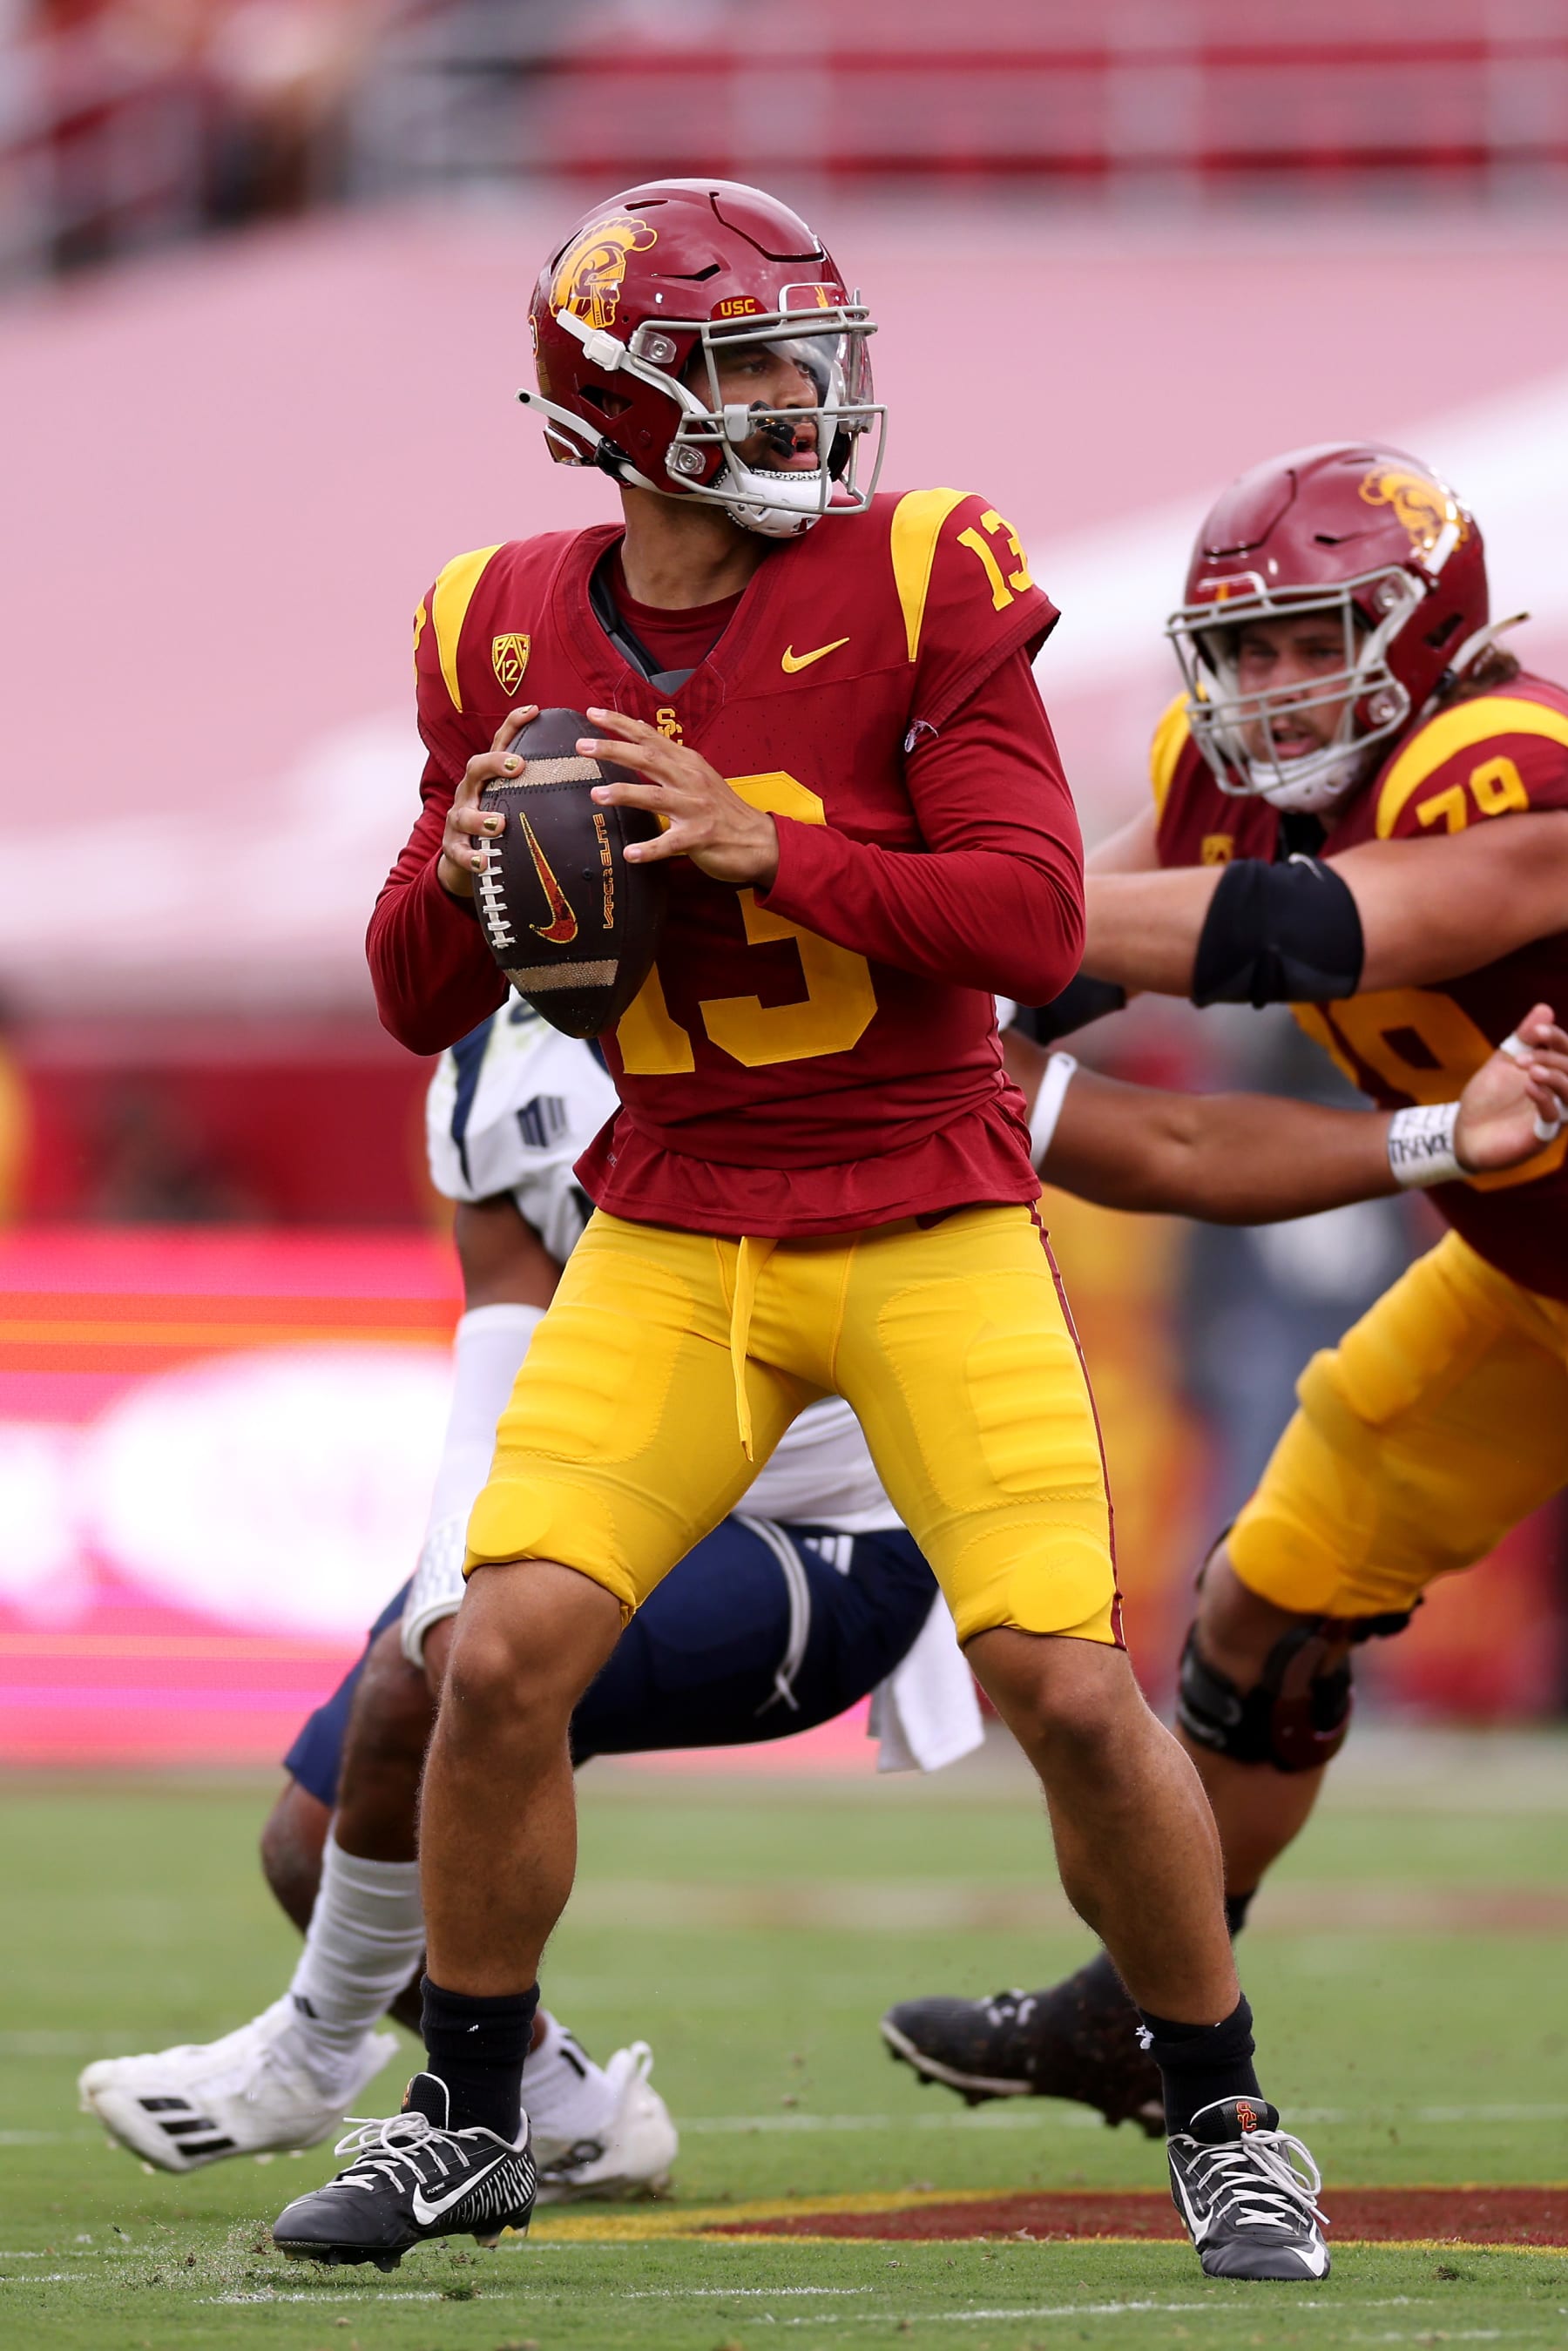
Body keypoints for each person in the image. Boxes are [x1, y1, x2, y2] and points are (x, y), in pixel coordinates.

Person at [272, 178, 1332, 2285]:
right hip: (672, 1218)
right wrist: (466, 871)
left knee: (1059, 1674)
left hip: (927, 1194)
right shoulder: (493, 620)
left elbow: (1030, 919)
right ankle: (473, 2118)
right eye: (749, 362)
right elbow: (411, 991)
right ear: (620, 401)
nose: (799, 398)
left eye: (809, 356)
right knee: (500, 1659)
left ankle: (1224, 2114)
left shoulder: (929, 564)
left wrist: (779, 841)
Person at [882, 441, 1568, 2133]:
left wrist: (915, 904)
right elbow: (1064, 949)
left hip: (1513, 1240)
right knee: (1267, 1609)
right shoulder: (1225, 774)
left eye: (1312, 641)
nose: (1270, 686)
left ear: (1425, 632)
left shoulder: (1506, 762)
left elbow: (1302, 933)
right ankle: (1145, 2013)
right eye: (1244, 650)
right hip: (1526, 1283)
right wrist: (899, 1003)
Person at [79, 1001, 974, 2197]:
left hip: (824, 1530)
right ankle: (570, 2108)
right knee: (319, 1835)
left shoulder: (773, 995)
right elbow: (505, 1335)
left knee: (428, 1687)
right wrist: (457, 1565)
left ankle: (329, 2063)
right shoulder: (488, 1068)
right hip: (626, 1492)